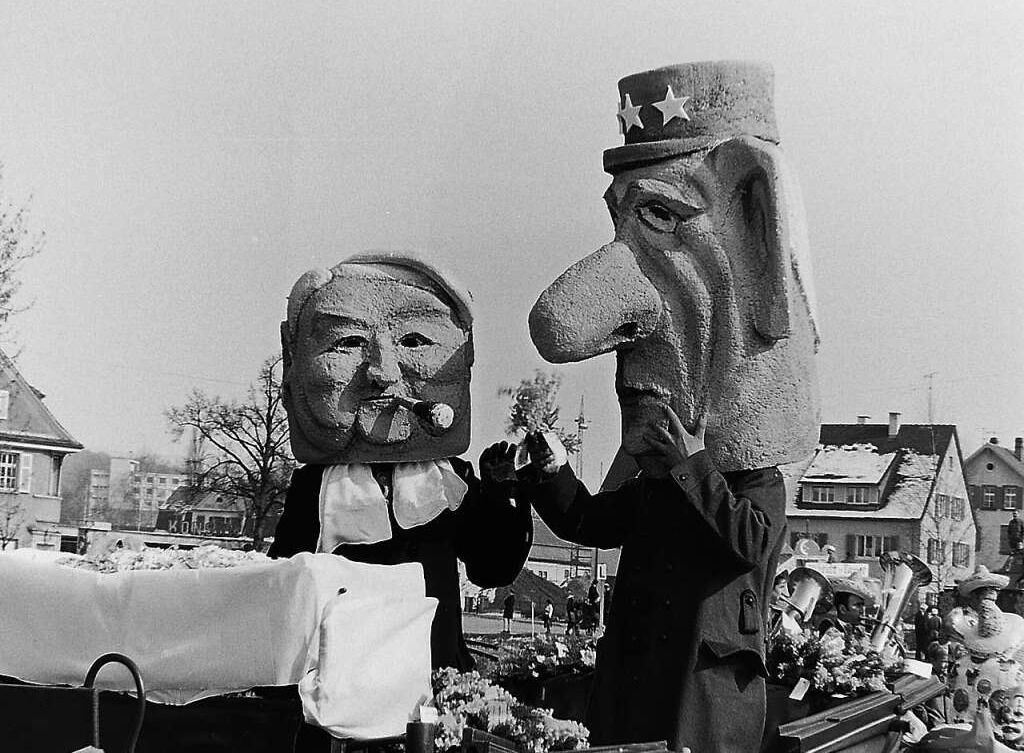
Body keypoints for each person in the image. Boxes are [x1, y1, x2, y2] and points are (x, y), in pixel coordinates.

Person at [268, 253, 533, 671]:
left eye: (414, 342)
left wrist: (502, 495)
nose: (381, 373)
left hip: (430, 674)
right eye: (349, 343)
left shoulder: (448, 481)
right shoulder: (316, 488)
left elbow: (492, 568)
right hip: (339, 676)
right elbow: (288, 583)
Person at [523, 405, 786, 753]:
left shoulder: (757, 475)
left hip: (703, 692)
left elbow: (751, 541)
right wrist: (553, 470)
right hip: (637, 682)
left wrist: (694, 465)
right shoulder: (652, 486)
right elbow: (587, 519)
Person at [818, 572, 875, 638]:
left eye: (862, 605)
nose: (862, 610)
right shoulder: (828, 626)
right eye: (858, 605)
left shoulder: (859, 631)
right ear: (842, 609)